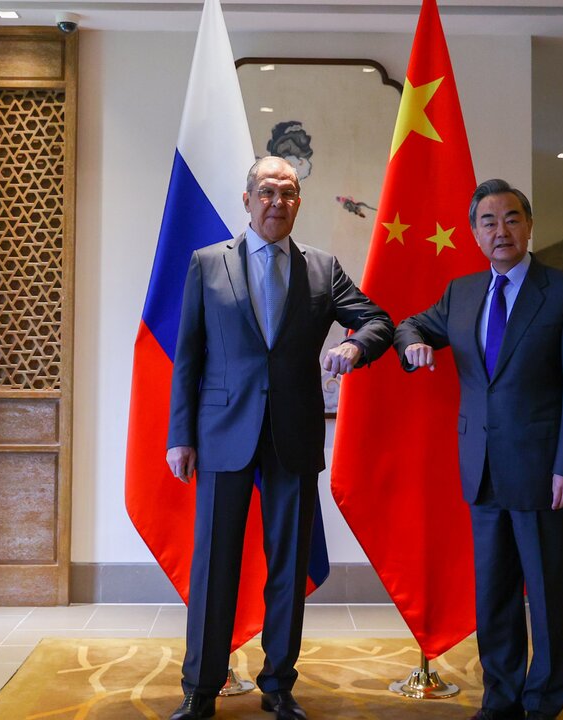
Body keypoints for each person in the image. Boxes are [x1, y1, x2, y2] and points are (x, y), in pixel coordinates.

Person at [165, 156, 393, 720]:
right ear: (247, 200)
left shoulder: (322, 268)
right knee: (214, 564)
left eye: (288, 193)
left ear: (298, 202)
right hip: (222, 431)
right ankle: (200, 688)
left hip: (293, 433)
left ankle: (278, 684)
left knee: (288, 564)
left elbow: (378, 320)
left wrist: (354, 345)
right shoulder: (207, 263)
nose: (277, 202)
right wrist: (180, 435)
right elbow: (187, 355)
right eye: (267, 192)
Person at [394, 179, 563, 720]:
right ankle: (500, 698)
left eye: (511, 218)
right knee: (494, 594)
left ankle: (544, 701)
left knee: (546, 594)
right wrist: (414, 345)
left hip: (543, 472)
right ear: (474, 233)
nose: (500, 230)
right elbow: (411, 325)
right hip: (481, 468)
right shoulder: (462, 293)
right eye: (488, 221)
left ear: (528, 227)